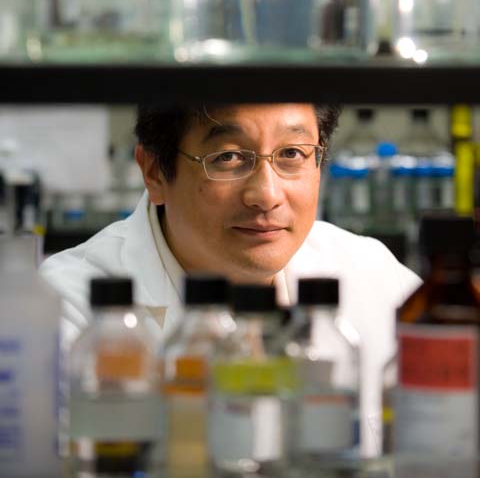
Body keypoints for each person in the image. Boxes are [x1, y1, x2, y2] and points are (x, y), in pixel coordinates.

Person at [40, 103, 421, 454]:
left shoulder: (371, 275)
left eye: (292, 154)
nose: (266, 195)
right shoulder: (62, 310)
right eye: (229, 157)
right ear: (154, 171)